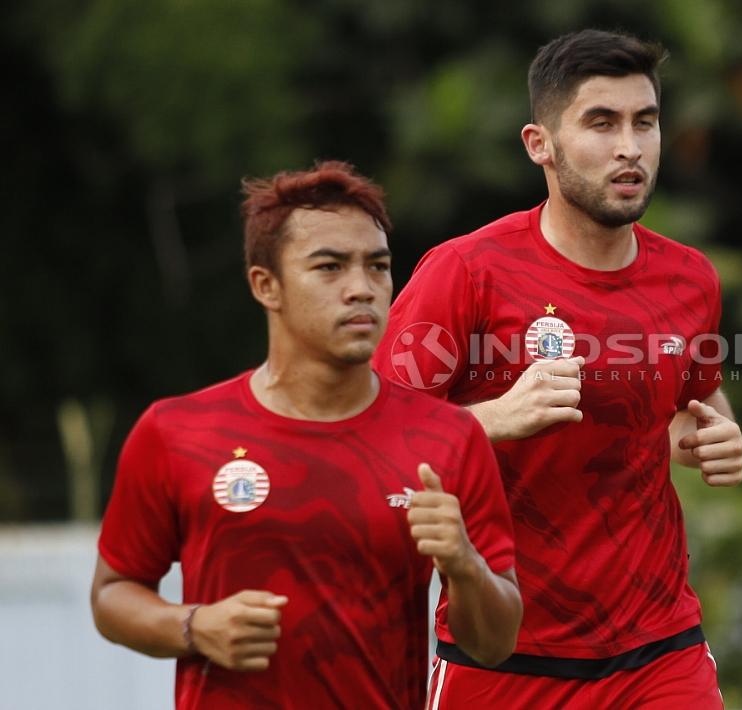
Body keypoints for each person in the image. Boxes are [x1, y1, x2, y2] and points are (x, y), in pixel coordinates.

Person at [373, 29, 742, 709]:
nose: (630, 147)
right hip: (503, 653)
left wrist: (715, 434)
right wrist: (491, 418)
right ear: (539, 144)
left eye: (645, 122)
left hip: (659, 650)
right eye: (602, 123)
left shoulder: (690, 279)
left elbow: (695, 400)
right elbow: (364, 440)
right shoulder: (467, 272)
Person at [91, 161, 522, 709]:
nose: (361, 289)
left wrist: (464, 564)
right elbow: (113, 594)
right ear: (265, 285)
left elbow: (495, 643)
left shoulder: (449, 438)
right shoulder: (176, 431)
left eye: (377, 266)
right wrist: (194, 627)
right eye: (330, 267)